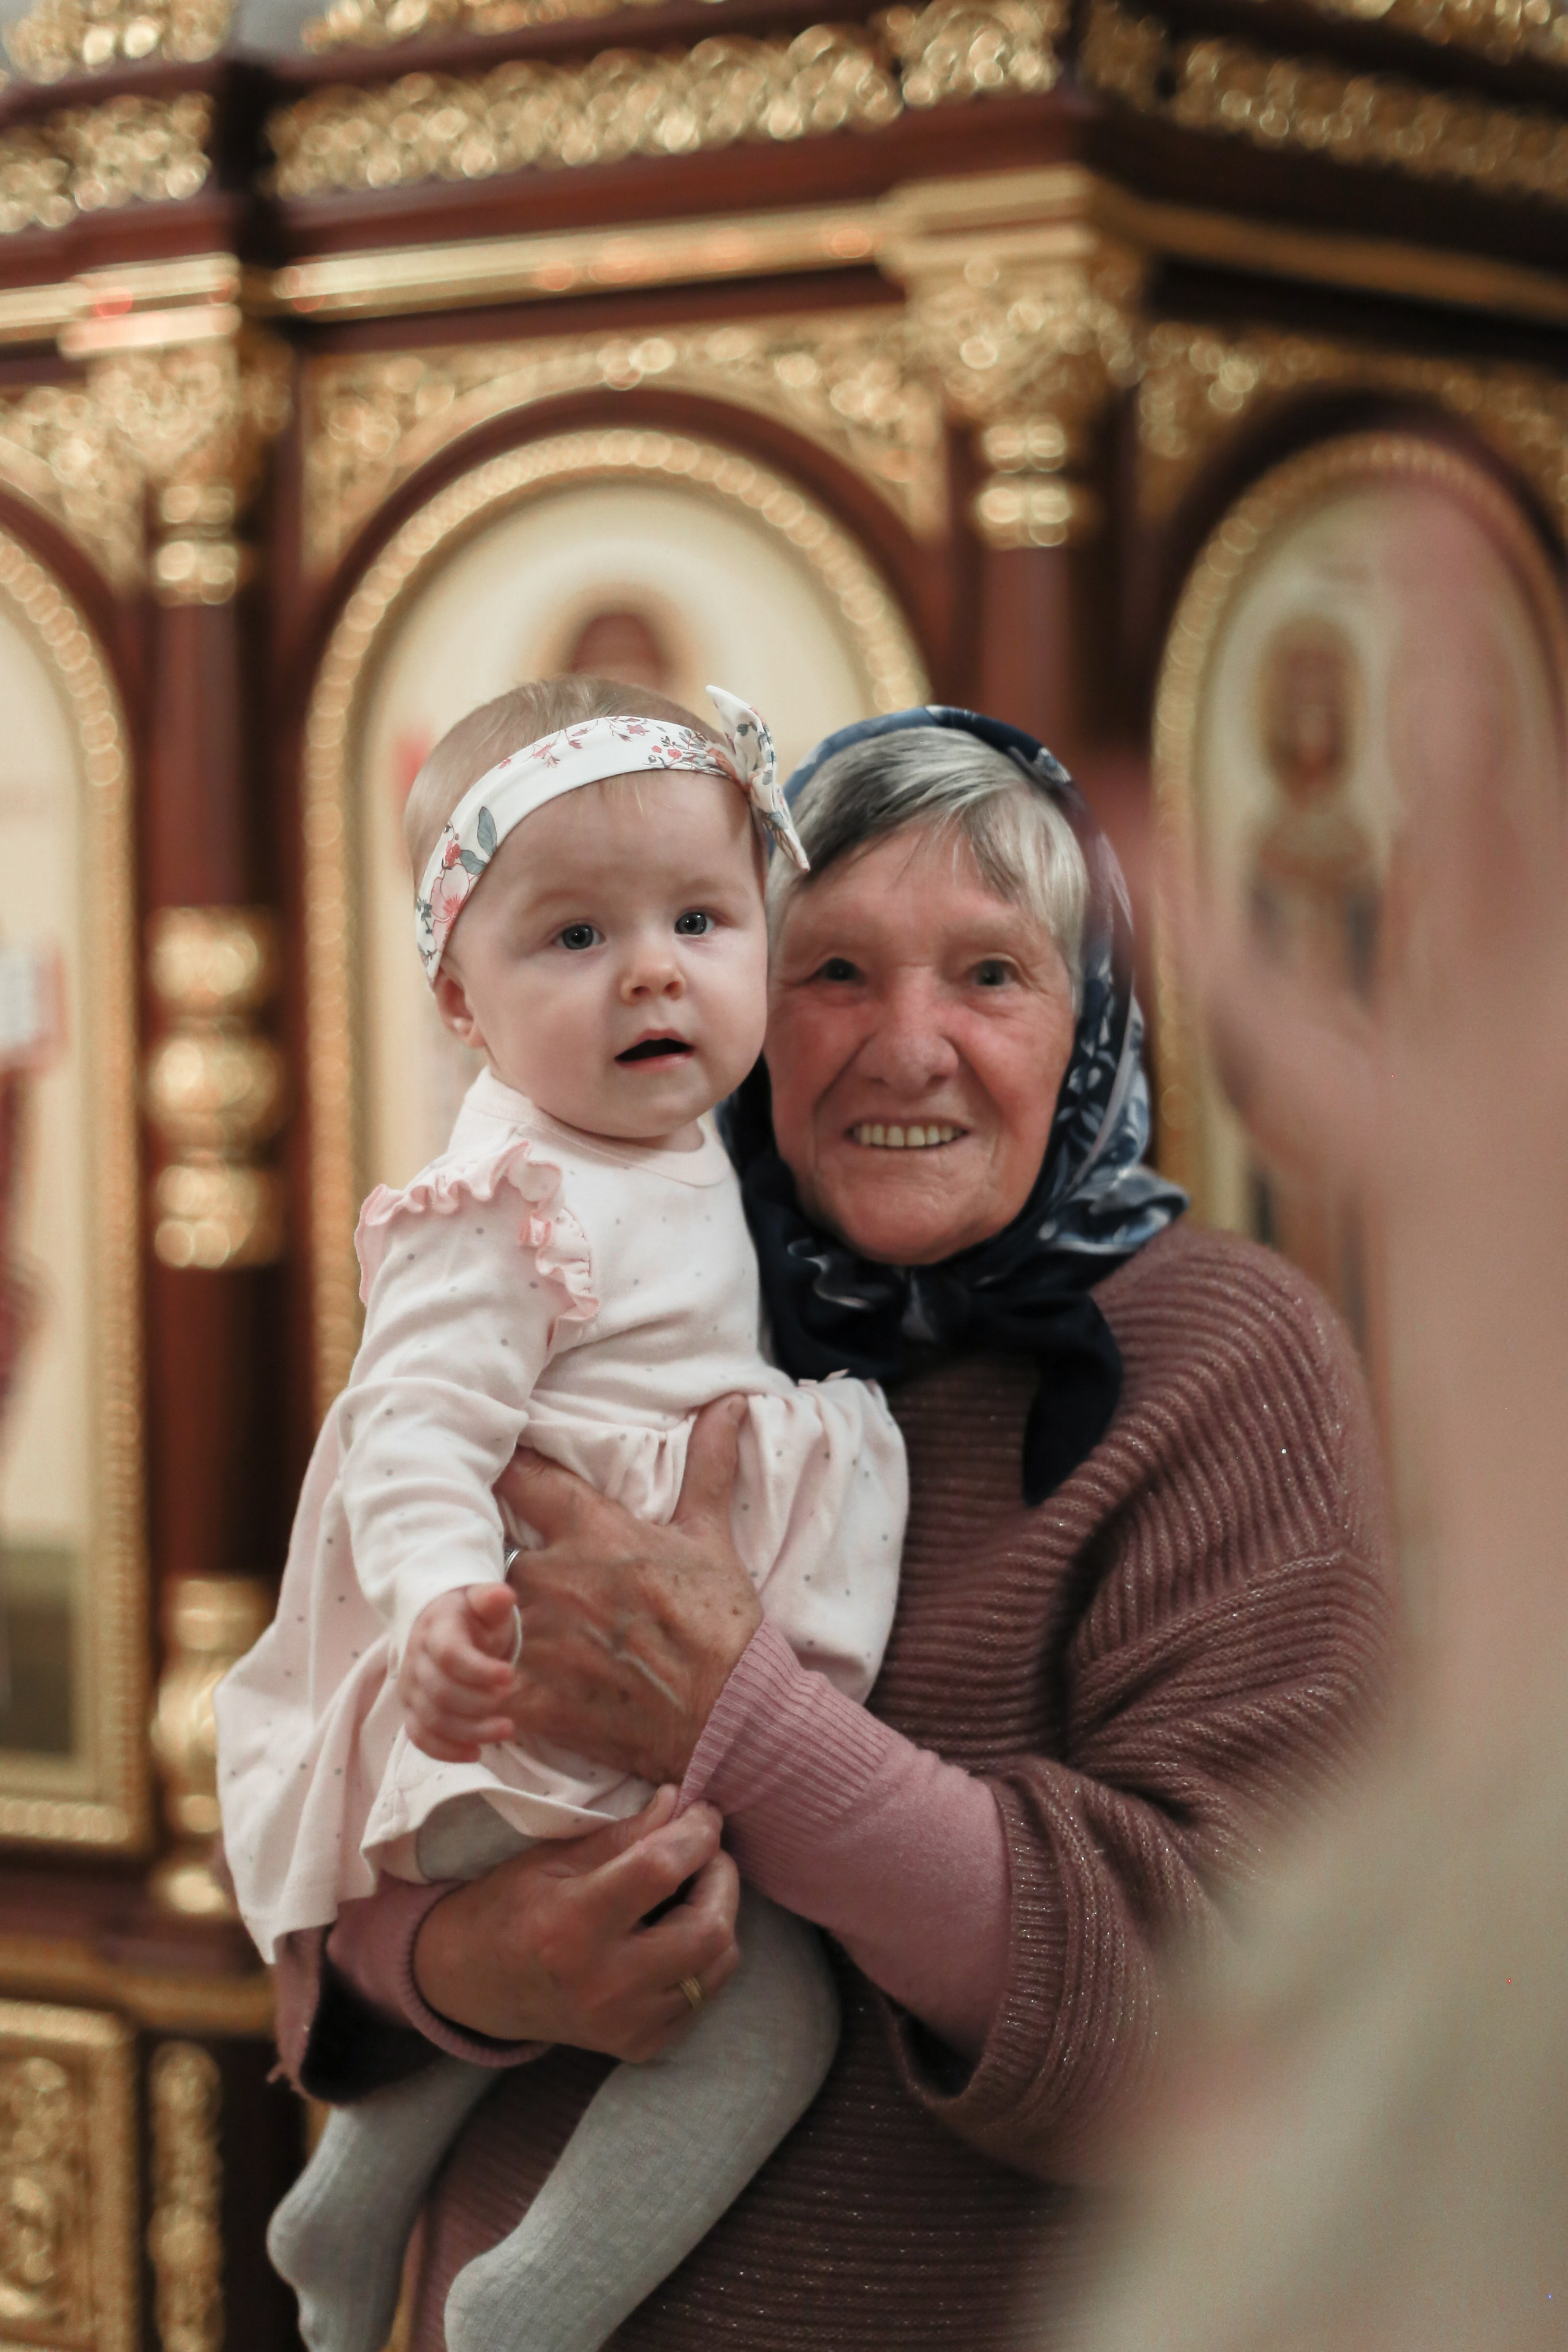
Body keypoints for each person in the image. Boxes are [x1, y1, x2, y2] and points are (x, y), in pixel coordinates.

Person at [273, 706, 1395, 2352]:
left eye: (991, 974)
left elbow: (1251, 2021)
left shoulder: (1221, 1361)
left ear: (1090, 1014)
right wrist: (466, 1966)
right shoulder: (625, 1294)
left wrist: (740, 1724)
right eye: (836, 972)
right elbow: (347, 1800)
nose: (910, 1046)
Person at [216, 678, 909, 2352]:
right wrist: (444, 1597)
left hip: (592, 1714)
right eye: (578, 936)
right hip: (528, 1713)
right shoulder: (509, 1195)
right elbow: (412, 1426)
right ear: (462, 1001)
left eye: (699, 919)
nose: (654, 971)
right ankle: (526, 2310)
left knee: (598, 1961)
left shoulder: (688, 1145)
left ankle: (346, 2207)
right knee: (762, 2019)